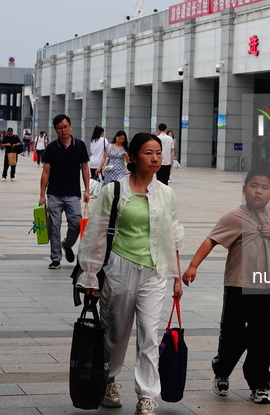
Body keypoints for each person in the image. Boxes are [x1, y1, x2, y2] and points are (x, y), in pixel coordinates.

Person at [77, 132, 184, 415]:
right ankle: (109, 380)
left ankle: (147, 395)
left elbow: (173, 235)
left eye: (159, 153)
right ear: (133, 157)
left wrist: (176, 277)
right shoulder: (114, 191)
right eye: (149, 153)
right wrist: (89, 276)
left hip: (154, 271)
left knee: (149, 334)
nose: (156, 158)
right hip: (119, 269)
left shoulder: (167, 194)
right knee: (115, 335)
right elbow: (96, 235)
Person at [182, 166, 270, 405]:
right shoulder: (234, 216)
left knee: (264, 339)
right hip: (237, 285)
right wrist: (193, 266)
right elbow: (211, 240)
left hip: (266, 288)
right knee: (234, 334)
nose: (258, 191)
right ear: (244, 190)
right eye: (254, 186)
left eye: (264, 188)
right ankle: (222, 368)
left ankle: (260, 385)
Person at [39, 114, 90, 270]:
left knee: (75, 223)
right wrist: (42, 194)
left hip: (73, 193)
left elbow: (85, 168)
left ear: (70, 127)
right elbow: (46, 171)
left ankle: (67, 244)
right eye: (60, 127)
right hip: (54, 193)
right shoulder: (51, 148)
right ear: (55, 130)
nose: (63, 130)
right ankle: (55, 258)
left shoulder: (80, 145)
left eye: (65, 126)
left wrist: (87, 189)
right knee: (54, 225)